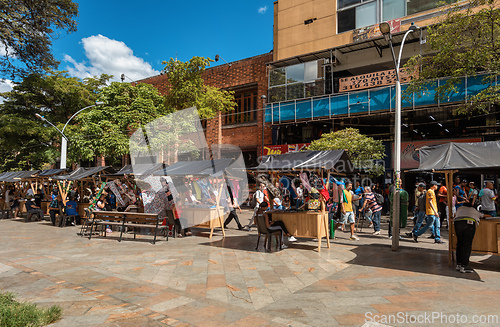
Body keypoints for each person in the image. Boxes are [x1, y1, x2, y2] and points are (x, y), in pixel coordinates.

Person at [454, 204, 491, 273]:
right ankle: (464, 265)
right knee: (467, 244)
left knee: (459, 243)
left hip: (457, 223)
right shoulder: (474, 210)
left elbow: (454, 215)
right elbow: (486, 216)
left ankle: (458, 264)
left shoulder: (460, 208)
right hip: (469, 223)